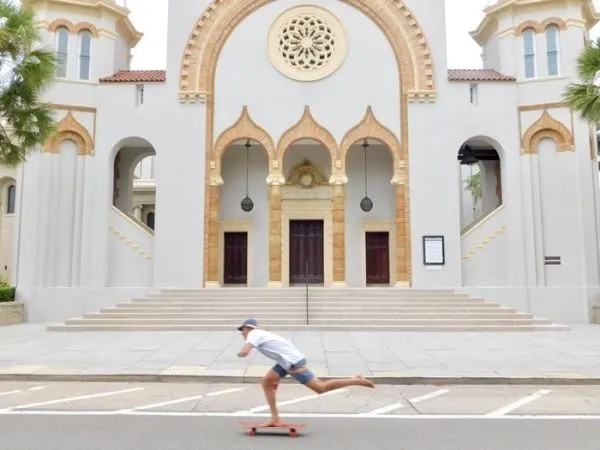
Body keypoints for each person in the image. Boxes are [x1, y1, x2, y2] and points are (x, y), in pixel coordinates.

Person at [236, 318, 375, 427]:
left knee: (321, 388)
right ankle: (274, 418)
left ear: (248, 328)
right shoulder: (262, 334)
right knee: (267, 383)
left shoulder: (253, 334)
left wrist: (240, 354)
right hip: (286, 362)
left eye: (242, 330)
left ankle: (356, 380)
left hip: (293, 363)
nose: (241, 333)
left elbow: (245, 351)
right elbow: (286, 344)